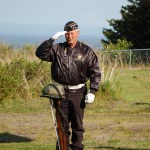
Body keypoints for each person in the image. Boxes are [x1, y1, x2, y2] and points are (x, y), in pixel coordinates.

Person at [35, 21, 101, 150]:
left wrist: (92, 91)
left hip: (79, 93)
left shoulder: (87, 51)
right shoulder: (57, 49)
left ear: (77, 33)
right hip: (60, 92)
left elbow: (95, 73)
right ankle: (63, 148)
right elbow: (40, 54)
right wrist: (52, 39)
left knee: (77, 125)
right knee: (61, 125)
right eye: (67, 34)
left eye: (72, 33)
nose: (69, 36)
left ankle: (77, 148)